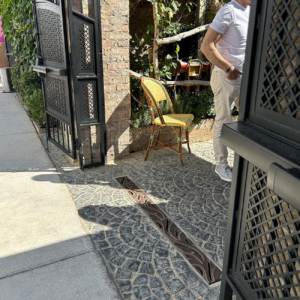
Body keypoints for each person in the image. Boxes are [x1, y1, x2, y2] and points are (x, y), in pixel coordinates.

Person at [201, 0, 251, 182]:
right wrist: (227, 68)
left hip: (245, 78)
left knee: (247, 120)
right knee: (223, 120)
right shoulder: (228, 11)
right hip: (226, 76)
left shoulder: (250, 11)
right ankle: (221, 165)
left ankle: (243, 161)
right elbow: (206, 46)